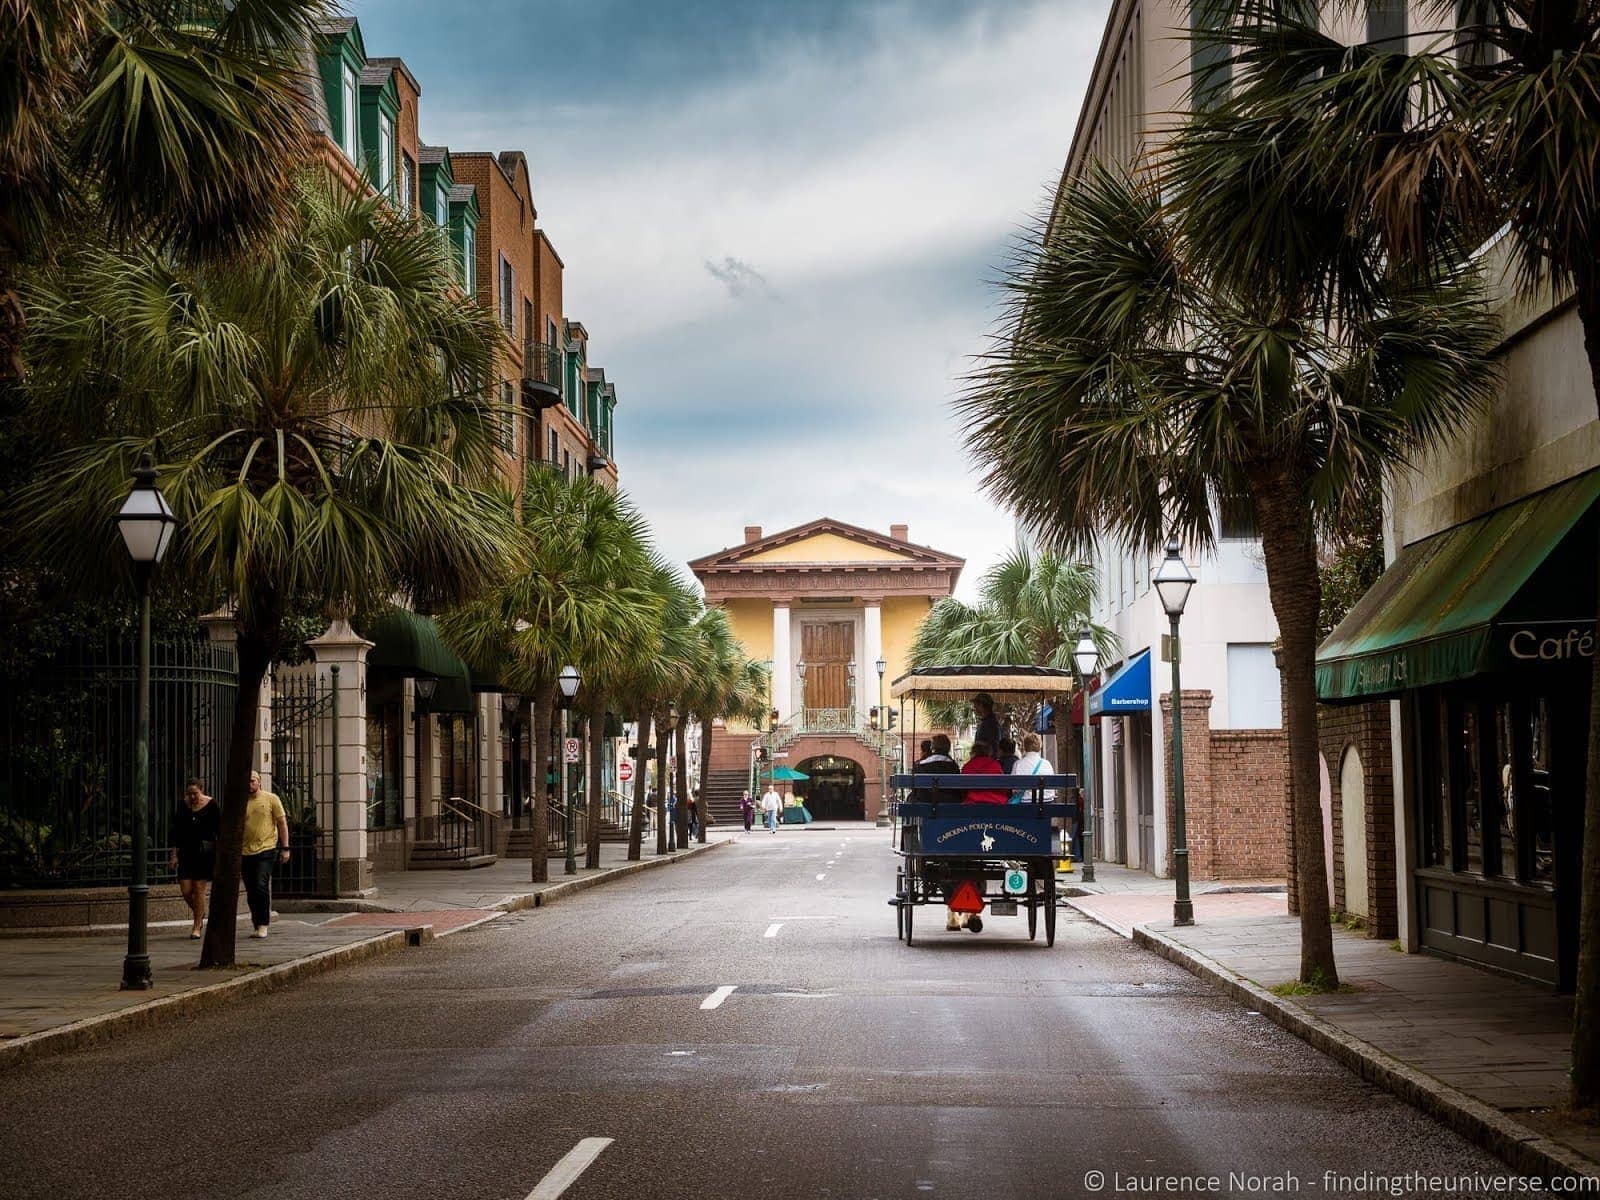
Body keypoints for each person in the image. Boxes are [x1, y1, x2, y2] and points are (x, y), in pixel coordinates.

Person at [168, 777, 218, 939]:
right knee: (186, 890)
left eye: (195, 793)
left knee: (199, 889)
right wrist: (174, 854)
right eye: (189, 794)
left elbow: (219, 828)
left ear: (201, 791)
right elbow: (176, 832)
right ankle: (200, 912)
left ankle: (196, 926)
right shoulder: (183, 806)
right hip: (186, 852)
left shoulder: (211, 805)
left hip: (203, 852)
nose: (193, 797)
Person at [241, 771, 289, 939]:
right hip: (245, 851)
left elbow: (282, 823)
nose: (249, 784)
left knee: (261, 884)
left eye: (252, 781)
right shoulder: (242, 801)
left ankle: (263, 924)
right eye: (247, 781)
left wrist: (285, 847)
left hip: (267, 849)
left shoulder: (271, 799)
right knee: (251, 889)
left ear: (259, 782)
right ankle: (256, 921)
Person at [912, 733, 961, 802]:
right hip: (950, 804)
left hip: (925, 803)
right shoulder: (954, 766)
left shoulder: (921, 765)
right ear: (948, 748)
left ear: (932, 748)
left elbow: (914, 788)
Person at [1010, 733, 1055, 803]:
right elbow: (1052, 789)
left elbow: (1014, 789)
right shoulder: (1047, 764)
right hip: (1047, 803)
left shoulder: (1018, 764)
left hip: (1025, 804)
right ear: (1040, 746)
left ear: (1024, 746)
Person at [961, 739, 1009, 804]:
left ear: (974, 753)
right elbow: (1003, 788)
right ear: (988, 752)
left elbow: (963, 789)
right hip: (995, 802)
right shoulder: (995, 764)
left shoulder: (968, 766)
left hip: (973, 803)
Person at [972, 694, 1002, 759]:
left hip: (986, 763)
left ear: (982, 705)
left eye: (976, 705)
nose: (974, 707)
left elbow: (993, 746)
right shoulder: (987, 722)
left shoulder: (990, 724)